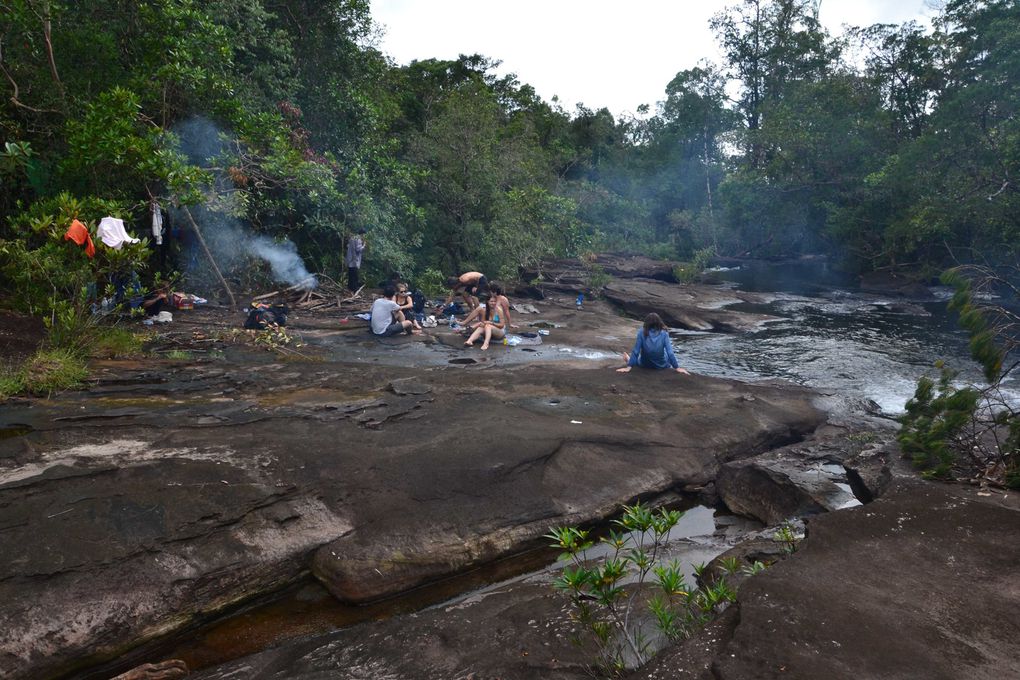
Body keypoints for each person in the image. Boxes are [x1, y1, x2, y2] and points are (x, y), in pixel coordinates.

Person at [617, 313, 689, 374]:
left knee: (640, 357)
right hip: (661, 365)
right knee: (666, 354)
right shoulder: (664, 333)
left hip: (645, 364)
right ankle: (629, 360)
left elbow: (636, 351)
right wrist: (677, 367)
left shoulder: (641, 332)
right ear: (659, 322)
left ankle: (629, 360)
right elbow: (670, 353)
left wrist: (628, 367)